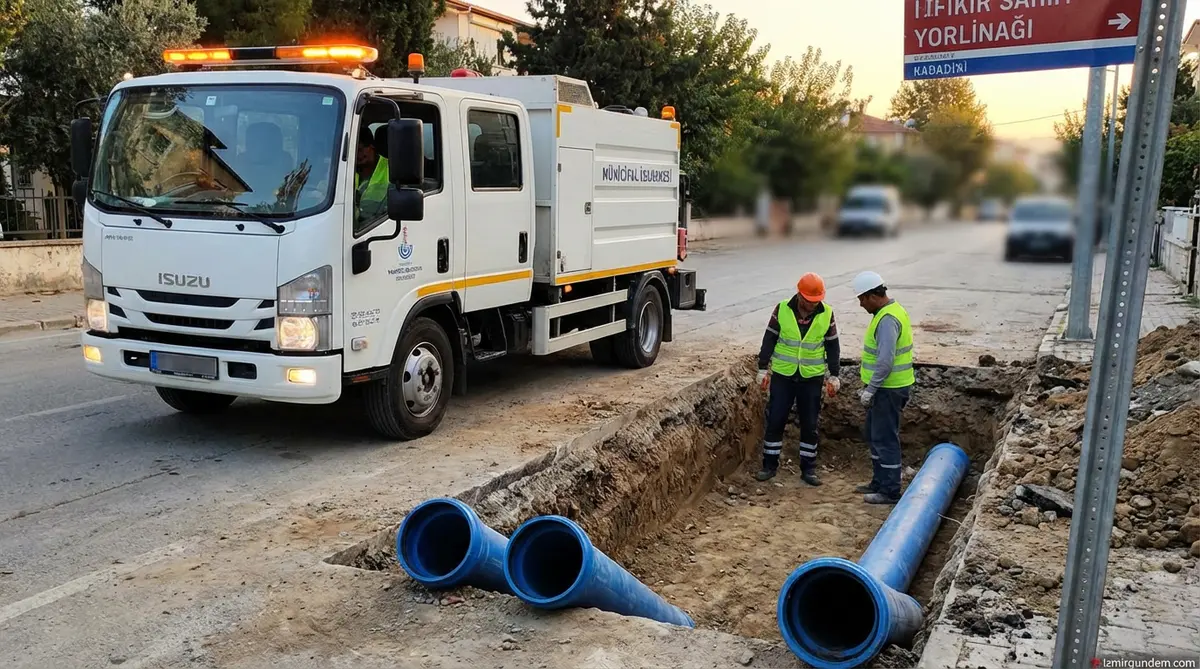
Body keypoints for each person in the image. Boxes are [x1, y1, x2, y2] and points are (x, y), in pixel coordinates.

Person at [754, 272, 841, 486]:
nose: (813, 305)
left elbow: (832, 346)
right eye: (810, 301)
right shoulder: (782, 309)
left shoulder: (827, 313)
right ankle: (769, 465)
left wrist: (834, 374)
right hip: (784, 375)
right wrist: (763, 368)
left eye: (816, 301)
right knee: (776, 419)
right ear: (800, 295)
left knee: (810, 423)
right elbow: (770, 338)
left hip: (811, 378)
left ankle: (808, 469)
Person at [852, 270, 915, 505]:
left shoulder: (888, 319)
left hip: (889, 389)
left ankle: (889, 490)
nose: (860, 305)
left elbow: (885, 361)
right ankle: (879, 481)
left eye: (861, 299)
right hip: (885, 388)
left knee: (885, 438)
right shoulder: (887, 313)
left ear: (871, 296)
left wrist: (871, 389)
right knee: (873, 434)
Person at [354, 124, 389, 221]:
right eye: (354, 151)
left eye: (360, 149)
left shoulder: (392, 167)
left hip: (380, 221)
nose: (357, 155)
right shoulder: (347, 170)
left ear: (372, 147)